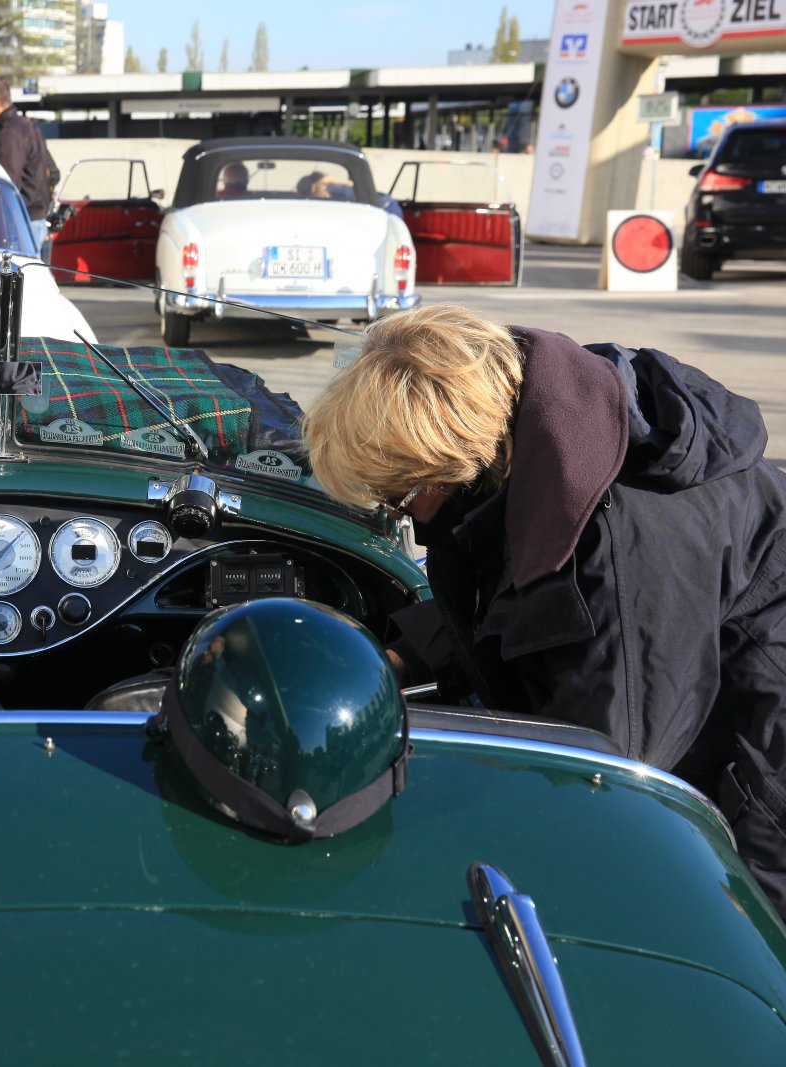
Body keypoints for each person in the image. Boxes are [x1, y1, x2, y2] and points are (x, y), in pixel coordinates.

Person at [302, 303, 786, 916]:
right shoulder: (543, 434)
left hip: (760, 761)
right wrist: (400, 657)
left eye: (396, 494)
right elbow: (508, 580)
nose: (395, 513)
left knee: (734, 939)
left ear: (446, 466)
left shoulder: (624, 545)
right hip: (680, 686)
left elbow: (600, 768)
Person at [0, 76, 58, 259]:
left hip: (16, 222)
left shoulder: (8, 134)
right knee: (30, 273)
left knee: (7, 274)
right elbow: (54, 173)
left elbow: (4, 183)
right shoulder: (27, 127)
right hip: (34, 220)